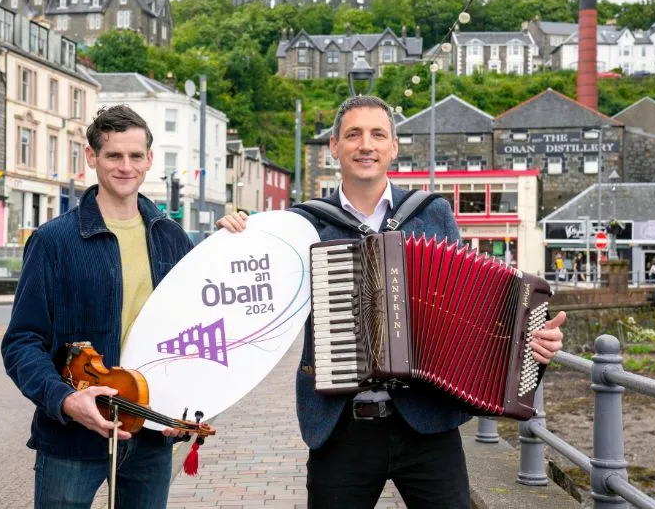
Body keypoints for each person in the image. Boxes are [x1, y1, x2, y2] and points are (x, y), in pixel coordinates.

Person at [216, 95, 566, 508]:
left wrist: (530, 345)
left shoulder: (432, 214)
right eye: (354, 135)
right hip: (340, 425)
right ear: (334, 147)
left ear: (393, 147)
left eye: (377, 134)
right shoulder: (303, 224)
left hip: (426, 424)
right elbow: (251, 297)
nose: (366, 145)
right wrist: (236, 240)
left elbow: (469, 308)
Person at [1, 105, 194, 509]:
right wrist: (65, 400)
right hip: (73, 433)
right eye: (113, 156)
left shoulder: (173, 239)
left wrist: (188, 402)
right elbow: (21, 342)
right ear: (92, 157)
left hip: (151, 430)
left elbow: (191, 335)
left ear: (149, 160)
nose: (126, 167)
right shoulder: (54, 240)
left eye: (135, 156)